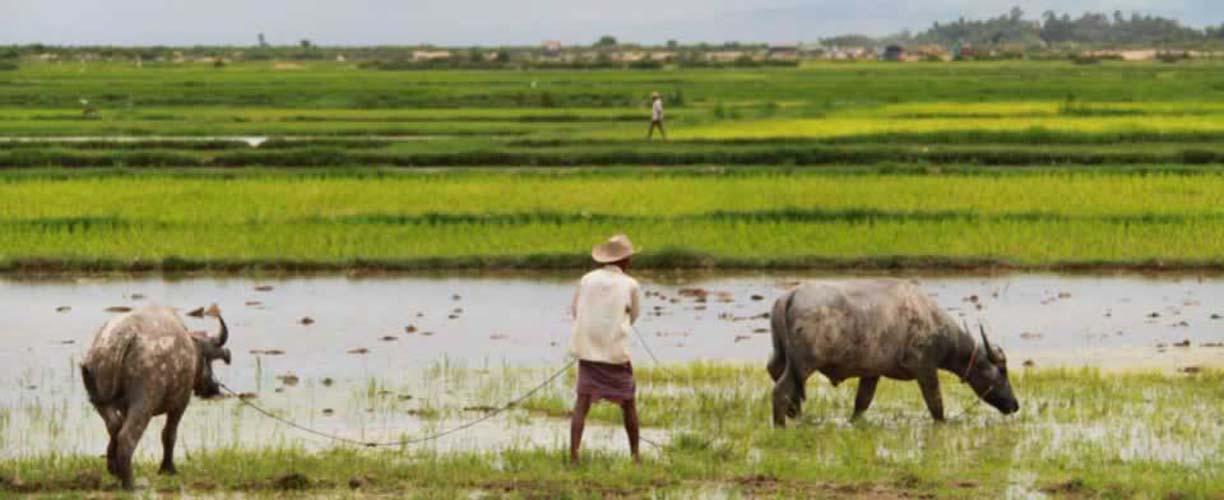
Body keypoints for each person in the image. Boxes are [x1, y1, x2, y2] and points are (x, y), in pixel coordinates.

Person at [569, 233, 642, 464]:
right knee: (628, 402)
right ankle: (635, 455)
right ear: (624, 261)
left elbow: (575, 310)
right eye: (629, 258)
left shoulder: (587, 279)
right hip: (615, 353)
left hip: (588, 351)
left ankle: (574, 455)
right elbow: (634, 317)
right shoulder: (631, 284)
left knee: (582, 401)